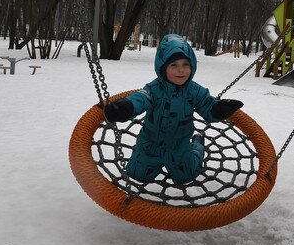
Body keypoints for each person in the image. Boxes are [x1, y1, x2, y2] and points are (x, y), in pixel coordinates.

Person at [102, 34, 243, 184]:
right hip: (150, 144)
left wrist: (218, 109)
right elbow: (141, 99)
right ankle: (141, 155)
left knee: (186, 176)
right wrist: (126, 108)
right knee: (137, 174)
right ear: (162, 68)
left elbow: (207, 105)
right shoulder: (153, 89)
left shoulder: (194, 90)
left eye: (186, 64)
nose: (181, 70)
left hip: (179, 146)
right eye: (174, 65)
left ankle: (197, 145)